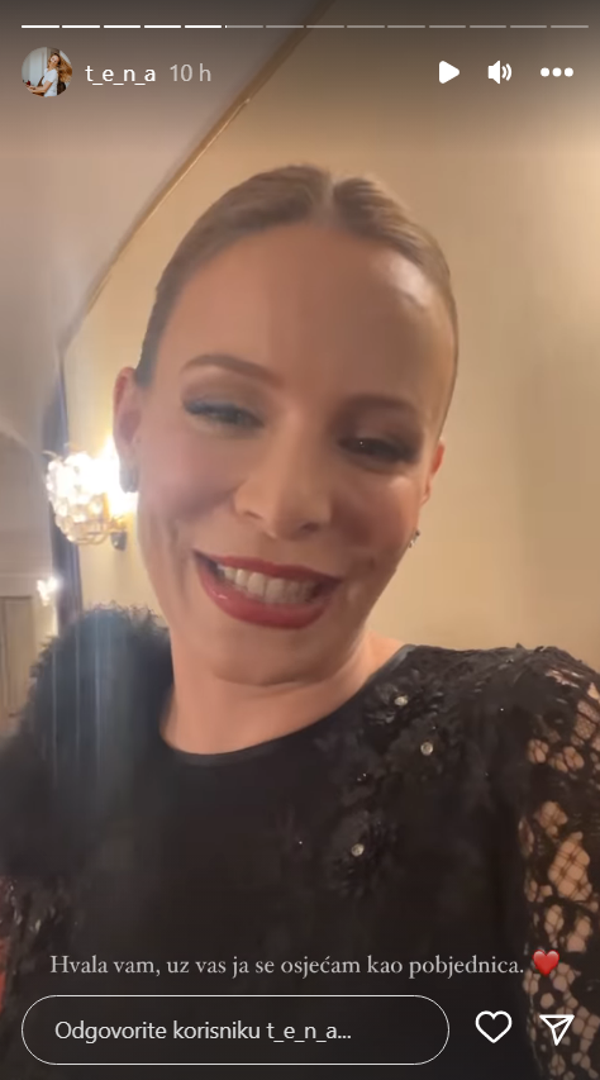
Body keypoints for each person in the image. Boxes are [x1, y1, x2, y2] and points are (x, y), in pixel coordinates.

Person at [0, 164, 598, 1078]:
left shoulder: (530, 749)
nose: (284, 505)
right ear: (131, 423)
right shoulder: (52, 787)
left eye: (373, 443)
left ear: (424, 484)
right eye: (226, 409)